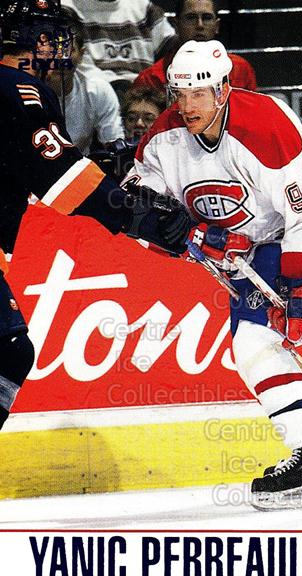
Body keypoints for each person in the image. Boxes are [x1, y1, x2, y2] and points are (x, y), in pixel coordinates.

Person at [125, 40, 302, 509]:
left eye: (198, 94)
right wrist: (186, 235)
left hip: (299, 236)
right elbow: (138, 208)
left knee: (253, 342)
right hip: (245, 255)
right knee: (251, 348)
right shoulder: (163, 140)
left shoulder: (267, 125)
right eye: (179, 94)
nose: (186, 106)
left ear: (223, 89)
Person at [0, 0, 191, 432]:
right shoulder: (21, 89)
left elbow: (30, 165)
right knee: (8, 350)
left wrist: (103, 168)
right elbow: (62, 181)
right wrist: (137, 216)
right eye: (54, 37)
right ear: (39, 41)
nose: (60, 47)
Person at [134, 0, 257, 94]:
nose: (200, 25)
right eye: (191, 18)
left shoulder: (240, 69)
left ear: (217, 26)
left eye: (207, 18)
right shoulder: (151, 79)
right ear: (176, 25)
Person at [61, 0, 177, 87]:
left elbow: (173, 55)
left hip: (145, 95)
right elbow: (80, 68)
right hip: (94, 94)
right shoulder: (66, 10)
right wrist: (118, 86)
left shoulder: (145, 8)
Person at [45, 32, 124, 154]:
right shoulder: (24, 91)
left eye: (67, 50)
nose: (60, 58)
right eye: (51, 50)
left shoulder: (98, 91)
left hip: (82, 164)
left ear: (81, 55)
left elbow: (114, 146)